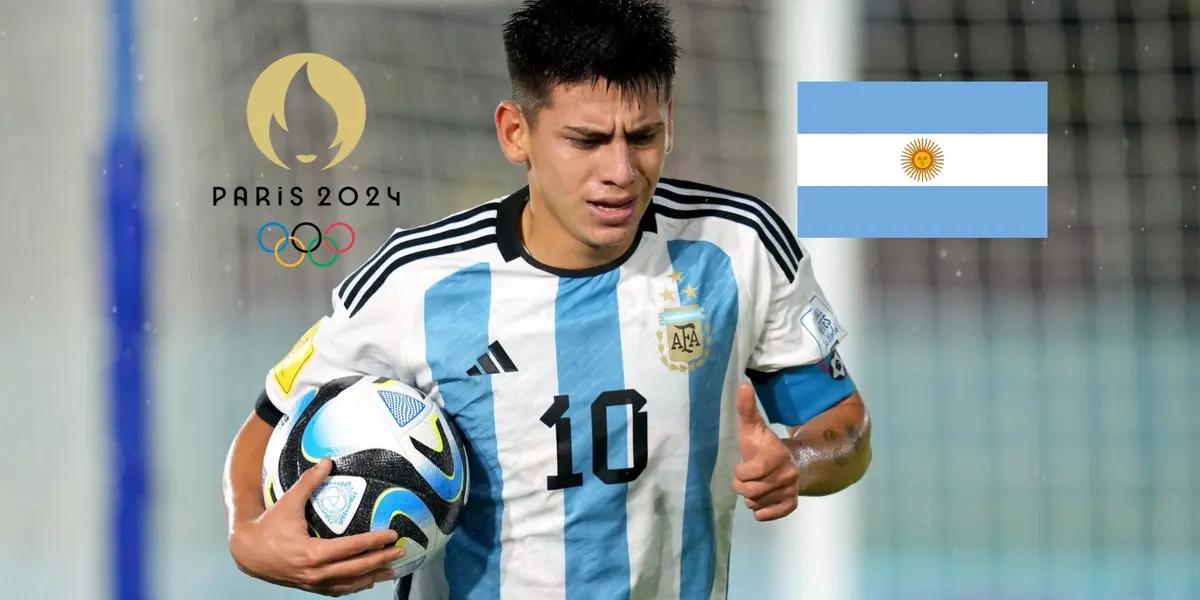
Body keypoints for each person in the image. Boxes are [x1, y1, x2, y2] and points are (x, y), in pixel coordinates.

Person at [223, 1, 872, 598]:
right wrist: (250, 538)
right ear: (516, 133)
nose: (620, 170)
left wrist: (801, 459)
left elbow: (844, 427)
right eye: (587, 141)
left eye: (642, 136)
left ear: (669, 123)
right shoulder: (413, 281)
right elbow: (268, 425)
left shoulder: (741, 248)